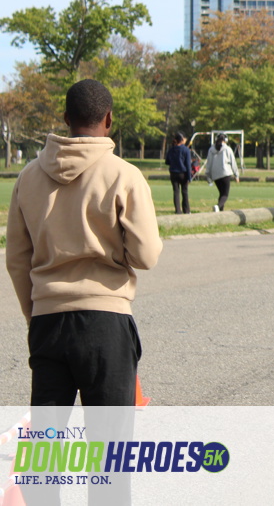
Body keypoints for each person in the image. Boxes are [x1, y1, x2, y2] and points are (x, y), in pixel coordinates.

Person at [7, 81, 162, 504]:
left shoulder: (28, 178)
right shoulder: (123, 175)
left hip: (48, 321)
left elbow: (17, 260)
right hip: (105, 322)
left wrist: (37, 313)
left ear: (65, 118)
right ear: (109, 119)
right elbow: (147, 254)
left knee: (44, 459)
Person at [202, 132, 239, 211]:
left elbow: (209, 164)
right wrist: (236, 175)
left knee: (221, 193)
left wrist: (208, 175)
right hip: (225, 174)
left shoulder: (211, 150)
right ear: (225, 140)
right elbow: (233, 163)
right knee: (225, 194)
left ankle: (220, 211)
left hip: (215, 175)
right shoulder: (228, 149)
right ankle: (218, 206)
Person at [165, 131, 193, 214]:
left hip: (173, 173)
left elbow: (167, 161)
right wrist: (189, 177)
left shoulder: (171, 149)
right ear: (182, 139)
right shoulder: (186, 150)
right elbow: (188, 164)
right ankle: (186, 210)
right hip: (183, 173)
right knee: (184, 192)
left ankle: (177, 210)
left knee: (176, 192)